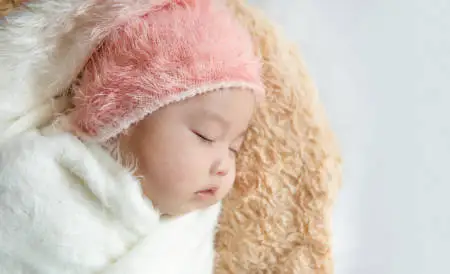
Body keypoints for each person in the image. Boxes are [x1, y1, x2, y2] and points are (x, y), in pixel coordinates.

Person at [0, 0, 264, 273]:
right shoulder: (38, 177)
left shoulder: (192, 228)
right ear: (125, 118)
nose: (224, 166)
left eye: (234, 148)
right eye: (206, 136)